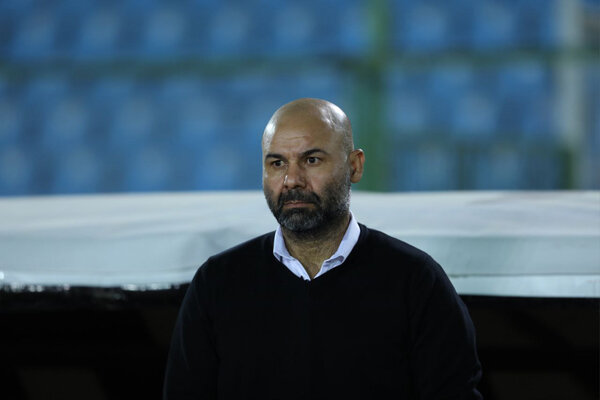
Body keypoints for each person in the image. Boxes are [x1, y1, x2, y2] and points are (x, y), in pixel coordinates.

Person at [164, 98, 483, 399]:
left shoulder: (417, 281)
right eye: (277, 163)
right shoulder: (217, 282)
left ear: (355, 166)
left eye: (311, 160)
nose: (291, 179)